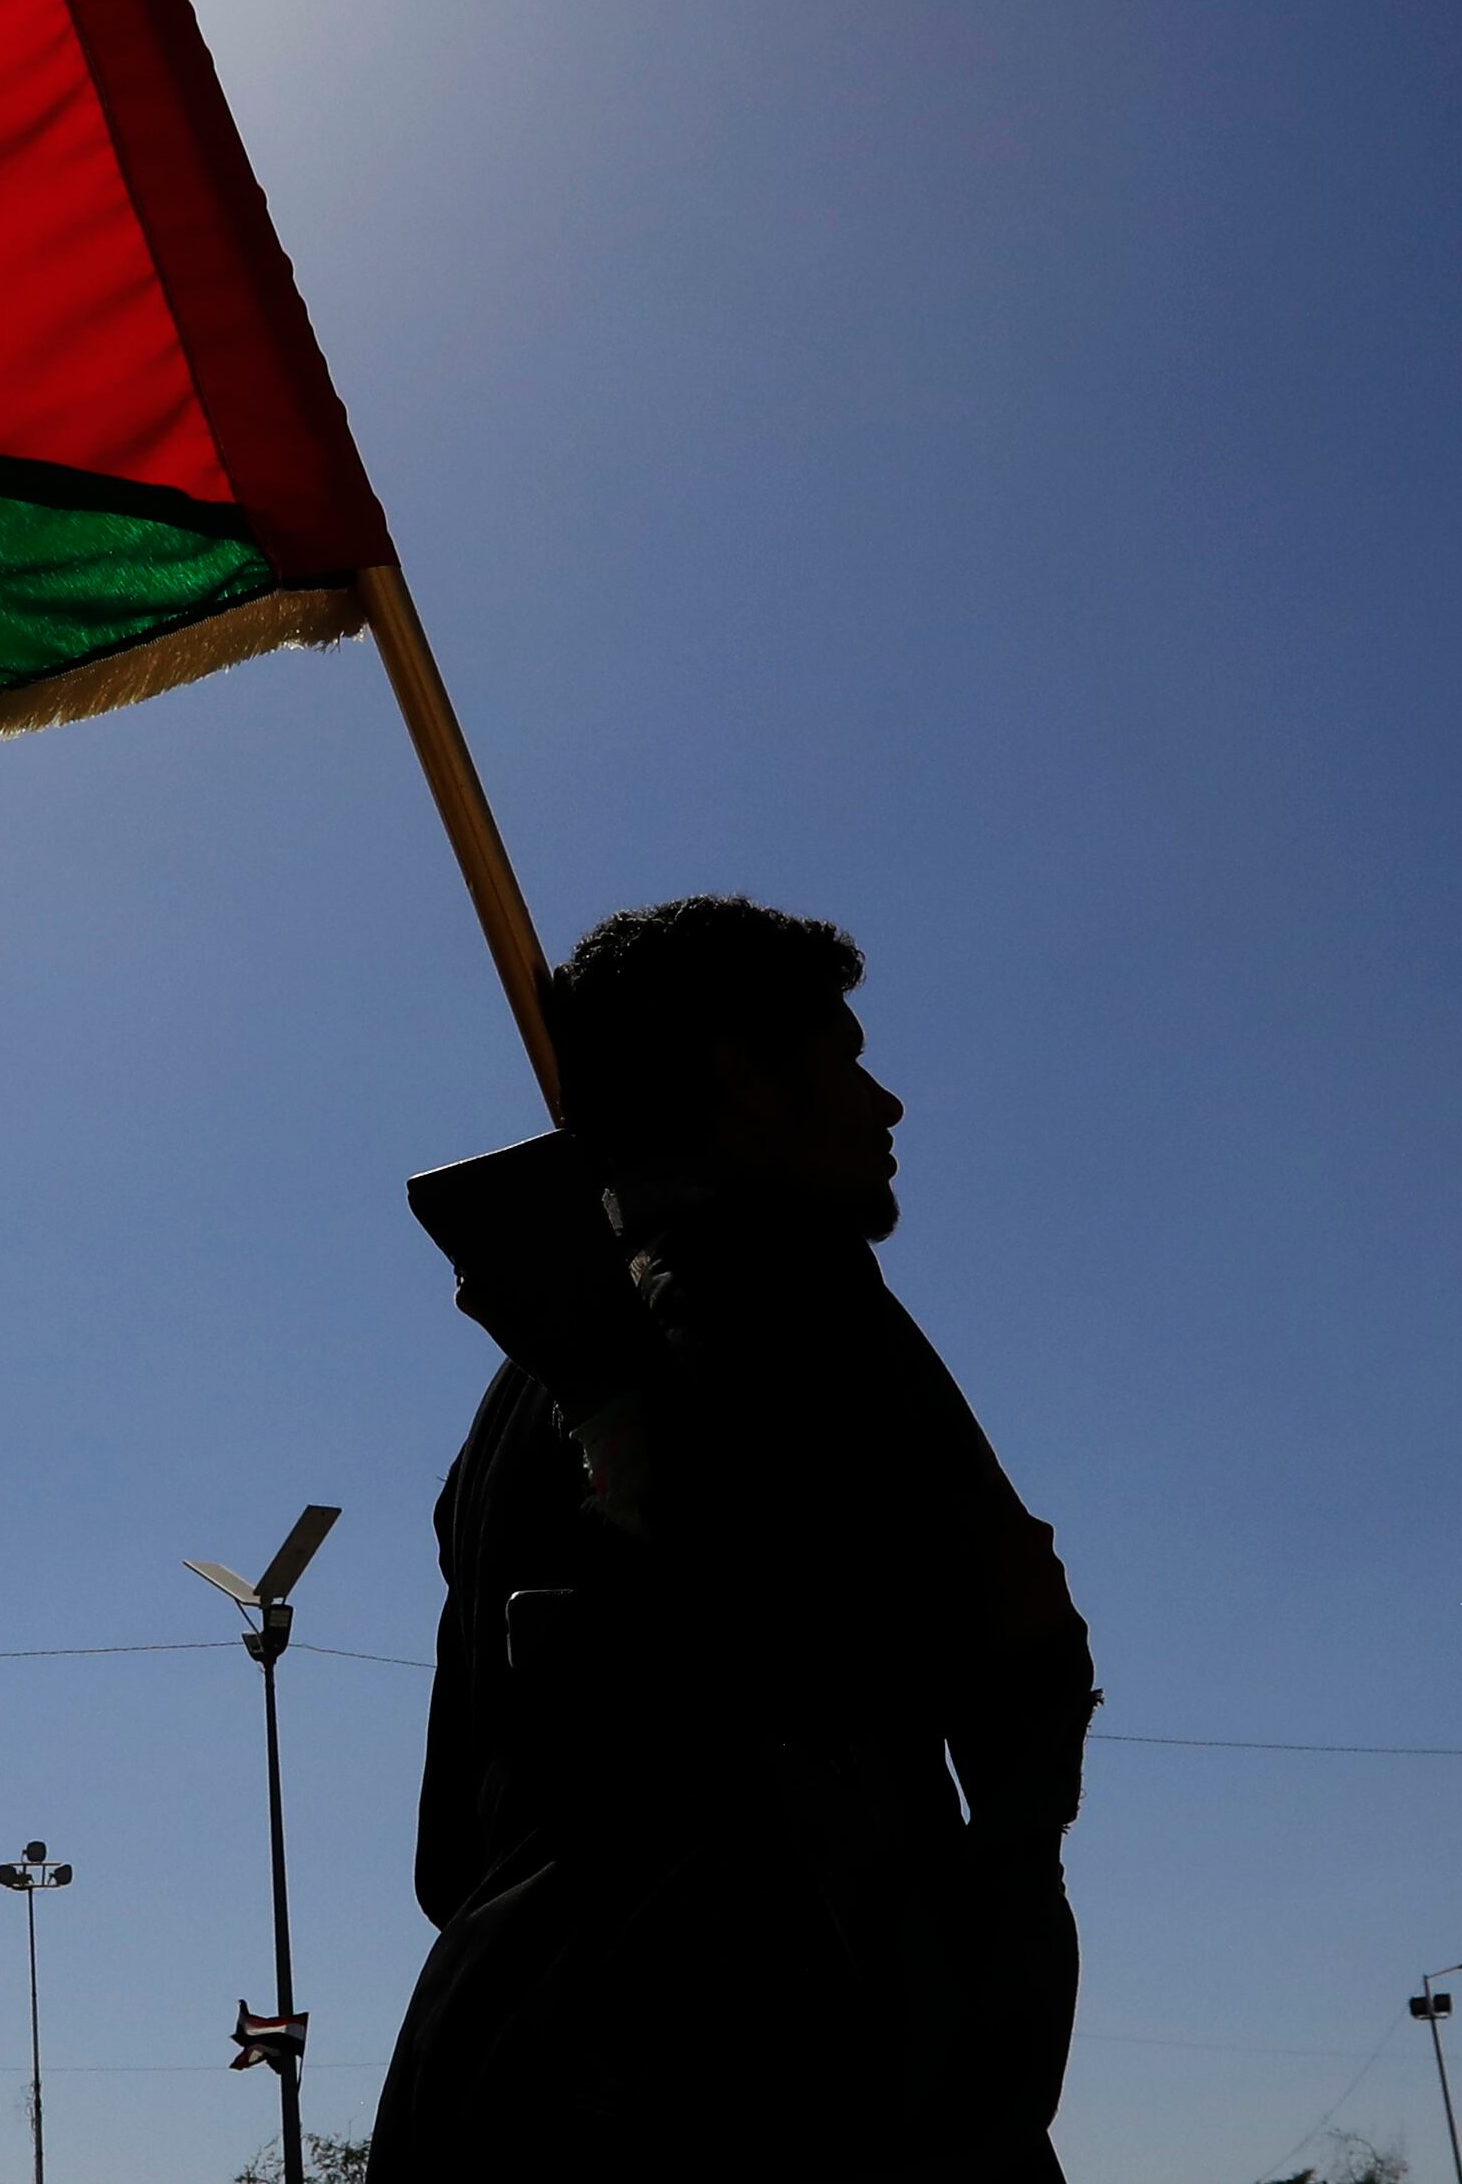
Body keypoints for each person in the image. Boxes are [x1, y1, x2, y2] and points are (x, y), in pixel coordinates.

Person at [372, 896, 1095, 2183]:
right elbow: (1011, 1628)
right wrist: (1008, 1879)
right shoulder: (775, 1273)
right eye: (843, 1058)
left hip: (486, 2068)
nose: (886, 1105)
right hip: (774, 2066)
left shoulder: (501, 1414)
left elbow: (447, 1846)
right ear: (741, 1076)